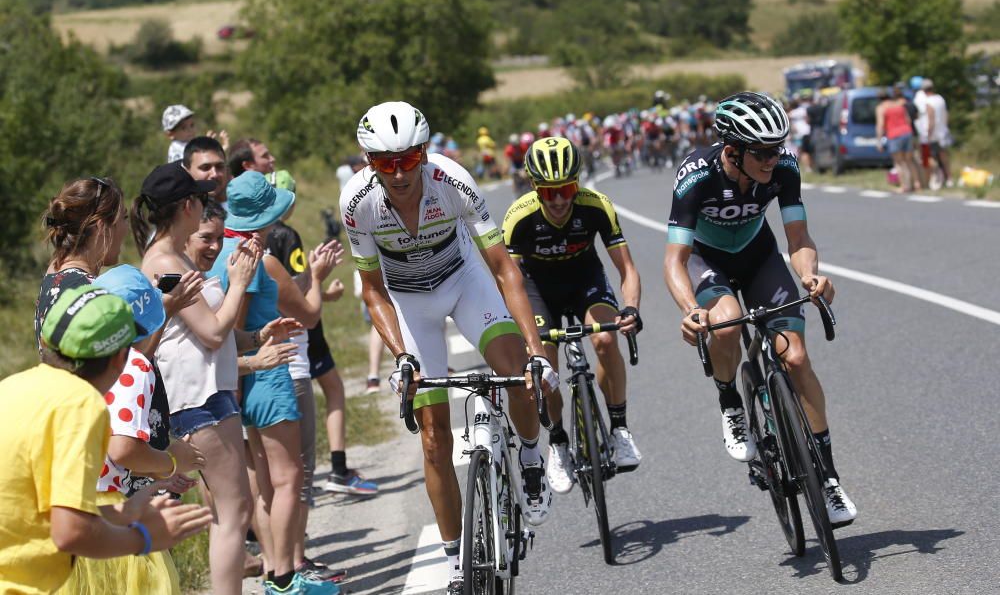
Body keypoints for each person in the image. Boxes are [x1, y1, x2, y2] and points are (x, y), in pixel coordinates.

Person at [341, 101, 558, 595]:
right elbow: (373, 292)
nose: (398, 172)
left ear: (424, 153)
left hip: (465, 283)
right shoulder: (357, 203)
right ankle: (453, 557)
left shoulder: (454, 180)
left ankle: (528, 458)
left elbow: (505, 270)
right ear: (368, 161)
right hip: (409, 303)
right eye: (383, 162)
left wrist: (536, 349)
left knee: (518, 375)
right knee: (435, 438)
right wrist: (402, 357)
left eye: (408, 159)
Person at [662, 91, 857, 526]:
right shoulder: (695, 176)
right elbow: (674, 259)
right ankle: (731, 403)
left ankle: (827, 478)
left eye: (778, 148)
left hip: (758, 255)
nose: (774, 158)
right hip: (706, 260)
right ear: (732, 150)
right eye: (763, 151)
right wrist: (691, 309)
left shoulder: (783, 168)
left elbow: (798, 238)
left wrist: (809, 277)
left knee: (797, 357)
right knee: (726, 324)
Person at [0, 285, 213, 594]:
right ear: (121, 359)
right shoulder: (80, 404)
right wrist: (145, 537)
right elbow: (70, 533)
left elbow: (37, 512)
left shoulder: (13, 386)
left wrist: (122, 513)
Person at [208, 171, 339, 595]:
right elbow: (307, 315)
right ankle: (286, 578)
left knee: (263, 481)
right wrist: (317, 277)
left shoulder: (220, 252)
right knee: (288, 478)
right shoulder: (258, 258)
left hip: (238, 379)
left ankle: (272, 570)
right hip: (267, 371)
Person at [502, 137, 643, 494]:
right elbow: (511, 283)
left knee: (605, 338)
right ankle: (559, 441)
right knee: (544, 369)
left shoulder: (597, 206)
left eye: (566, 189)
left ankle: (620, 429)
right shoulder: (519, 217)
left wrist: (630, 309)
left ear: (577, 183)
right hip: (538, 291)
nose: (561, 199)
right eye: (549, 193)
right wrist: (525, 335)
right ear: (535, 189)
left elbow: (626, 268)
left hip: (585, 281)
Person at [177, 198, 303, 594]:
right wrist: (256, 359)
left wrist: (257, 338)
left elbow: (225, 338)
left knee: (242, 506)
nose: (215, 246)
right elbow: (210, 342)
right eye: (206, 238)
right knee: (247, 506)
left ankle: (277, 573)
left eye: (220, 236)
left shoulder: (195, 274)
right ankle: (283, 576)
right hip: (205, 404)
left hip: (220, 398)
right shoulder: (179, 279)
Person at [59, 266, 205, 595]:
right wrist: (171, 460)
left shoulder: (78, 361)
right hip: (113, 513)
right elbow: (123, 448)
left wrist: (156, 474)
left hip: (70, 504)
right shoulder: (134, 365)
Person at [263, 171, 374, 583]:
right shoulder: (284, 238)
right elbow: (299, 297)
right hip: (293, 350)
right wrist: (321, 278)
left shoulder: (238, 247)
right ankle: (293, 566)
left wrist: (318, 288)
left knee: (271, 478)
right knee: (297, 472)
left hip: (262, 359)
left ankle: (283, 567)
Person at [36, 176, 129, 347]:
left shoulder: (54, 272)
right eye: (124, 217)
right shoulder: (89, 292)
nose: (127, 228)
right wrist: (165, 311)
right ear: (102, 227)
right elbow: (115, 368)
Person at [876, 87, 920, 193]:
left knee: (899, 162)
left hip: (894, 135)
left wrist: (879, 141)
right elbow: (908, 120)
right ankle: (916, 183)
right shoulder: (898, 105)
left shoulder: (881, 108)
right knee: (909, 161)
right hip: (907, 132)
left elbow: (880, 125)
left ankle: (904, 186)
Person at [922, 80, 953, 187]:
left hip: (933, 134)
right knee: (944, 157)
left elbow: (931, 119)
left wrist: (928, 135)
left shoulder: (929, 102)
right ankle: (949, 178)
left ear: (924, 90)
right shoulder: (940, 98)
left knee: (929, 157)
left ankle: (935, 178)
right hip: (943, 132)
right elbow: (946, 114)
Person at [183, 136, 230, 204]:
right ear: (187, 172)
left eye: (219, 166)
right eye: (205, 168)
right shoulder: (176, 213)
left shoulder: (241, 211)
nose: (214, 174)